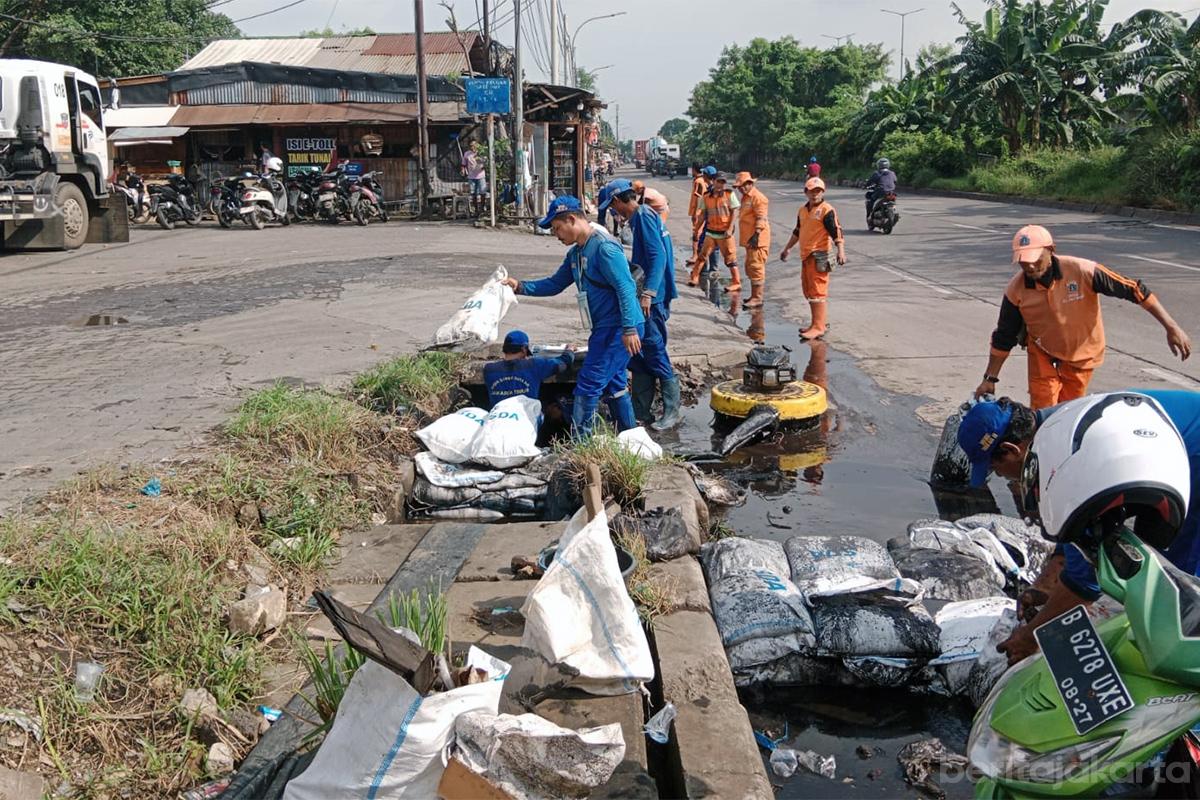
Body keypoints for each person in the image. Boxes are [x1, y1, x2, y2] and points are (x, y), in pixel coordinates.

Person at [958, 391, 1200, 663]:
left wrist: (1030, 638)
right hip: (1171, 447)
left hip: (1193, 452)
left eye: (995, 468)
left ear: (1012, 450)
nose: (1001, 477)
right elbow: (1075, 529)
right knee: (1151, 559)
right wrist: (1047, 584)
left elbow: (1083, 584)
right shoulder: (1051, 428)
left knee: (1178, 591)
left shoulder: (1064, 454)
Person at [974, 225, 1191, 410]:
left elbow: (1135, 290)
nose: (1029, 266)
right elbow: (1004, 336)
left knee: (1069, 411)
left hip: (1082, 353)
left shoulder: (1083, 271)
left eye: (1035, 259)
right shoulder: (1016, 290)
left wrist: (1171, 326)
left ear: (1051, 251)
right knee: (1044, 410)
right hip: (1043, 351)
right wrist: (989, 379)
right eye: (1023, 261)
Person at [501, 196, 644, 437]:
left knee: (587, 386)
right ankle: (630, 436)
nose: (556, 235)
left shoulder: (604, 248)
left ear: (572, 219)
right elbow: (555, 284)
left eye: (557, 228)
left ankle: (581, 447)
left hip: (619, 328)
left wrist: (629, 329)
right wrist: (520, 286)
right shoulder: (577, 253)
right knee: (616, 386)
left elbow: (626, 288)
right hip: (603, 328)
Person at [603, 178, 682, 430]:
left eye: (612, 207)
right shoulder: (642, 217)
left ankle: (672, 411)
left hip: (653, 296)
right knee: (639, 353)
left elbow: (658, 257)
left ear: (617, 201)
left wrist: (648, 292)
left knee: (652, 346)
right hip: (651, 293)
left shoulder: (644, 216)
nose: (614, 212)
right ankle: (641, 410)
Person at [779, 177, 846, 340]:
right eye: (811, 191)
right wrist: (787, 248)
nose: (815, 194)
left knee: (817, 291)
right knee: (808, 290)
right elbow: (797, 231)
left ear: (823, 192)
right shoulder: (803, 211)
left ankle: (818, 327)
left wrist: (841, 251)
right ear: (806, 192)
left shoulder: (826, 210)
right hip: (806, 255)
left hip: (820, 255)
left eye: (818, 191)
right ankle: (816, 322)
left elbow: (836, 231)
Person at [483, 330, 576, 406]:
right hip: (526, 418)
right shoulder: (534, 365)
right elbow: (563, 364)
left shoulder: (489, 370)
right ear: (524, 349)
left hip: (499, 419)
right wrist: (569, 350)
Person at [689, 172, 741, 291]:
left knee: (730, 259)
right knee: (702, 256)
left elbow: (735, 211)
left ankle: (736, 282)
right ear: (713, 181)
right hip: (711, 232)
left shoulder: (729, 195)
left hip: (725, 234)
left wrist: (729, 228)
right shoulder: (706, 197)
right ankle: (695, 277)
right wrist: (696, 230)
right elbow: (702, 215)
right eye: (719, 181)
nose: (721, 185)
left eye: (723, 182)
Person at [733, 172, 770, 308]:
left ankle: (758, 298)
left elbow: (761, 217)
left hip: (757, 240)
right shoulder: (746, 197)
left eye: (742, 186)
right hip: (750, 239)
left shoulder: (758, 198)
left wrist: (757, 234)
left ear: (750, 184)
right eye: (739, 187)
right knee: (750, 267)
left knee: (756, 268)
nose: (740, 189)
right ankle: (754, 295)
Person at [685, 162, 709, 267]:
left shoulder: (699, 181)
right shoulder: (700, 180)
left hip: (698, 211)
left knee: (696, 233)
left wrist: (696, 213)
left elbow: (699, 197)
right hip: (699, 210)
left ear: (694, 169)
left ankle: (695, 255)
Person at [865, 158, 896, 222]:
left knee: (871, 201)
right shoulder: (892, 173)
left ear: (879, 165)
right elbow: (895, 181)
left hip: (880, 191)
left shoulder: (877, 173)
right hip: (891, 192)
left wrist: (865, 185)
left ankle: (869, 216)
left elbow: (870, 181)